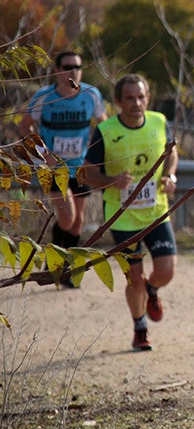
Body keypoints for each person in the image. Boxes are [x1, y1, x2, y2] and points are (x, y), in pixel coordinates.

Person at [82, 74, 179, 352]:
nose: (136, 103)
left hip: (156, 212)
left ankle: (152, 291)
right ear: (117, 102)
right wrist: (112, 180)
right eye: (130, 98)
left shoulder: (159, 121)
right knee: (134, 278)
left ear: (147, 98)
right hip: (122, 216)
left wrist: (170, 175)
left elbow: (171, 152)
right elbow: (88, 174)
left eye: (141, 97)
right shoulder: (106, 130)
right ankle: (140, 328)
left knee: (166, 271)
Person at [19, 51, 108, 287]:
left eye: (78, 67)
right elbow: (24, 127)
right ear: (57, 70)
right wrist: (42, 153)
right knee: (67, 219)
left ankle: (65, 271)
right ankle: (54, 264)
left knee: (78, 222)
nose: (73, 72)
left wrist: (97, 154)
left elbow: (105, 127)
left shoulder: (91, 95)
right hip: (54, 169)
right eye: (68, 67)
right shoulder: (44, 97)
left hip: (80, 168)